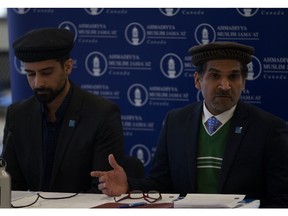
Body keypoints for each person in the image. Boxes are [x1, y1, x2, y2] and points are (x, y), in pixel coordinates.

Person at [91, 41, 288, 207]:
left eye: (234, 76)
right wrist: (128, 186)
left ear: (244, 82)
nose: (225, 85)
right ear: (197, 80)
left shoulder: (268, 128)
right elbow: (161, 183)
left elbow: (280, 198)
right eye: (215, 75)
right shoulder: (176, 122)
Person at [1, 27, 125, 193]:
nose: (38, 83)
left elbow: (102, 189)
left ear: (68, 67)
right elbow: (10, 184)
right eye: (31, 74)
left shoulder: (102, 114)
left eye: (46, 73)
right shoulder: (18, 115)